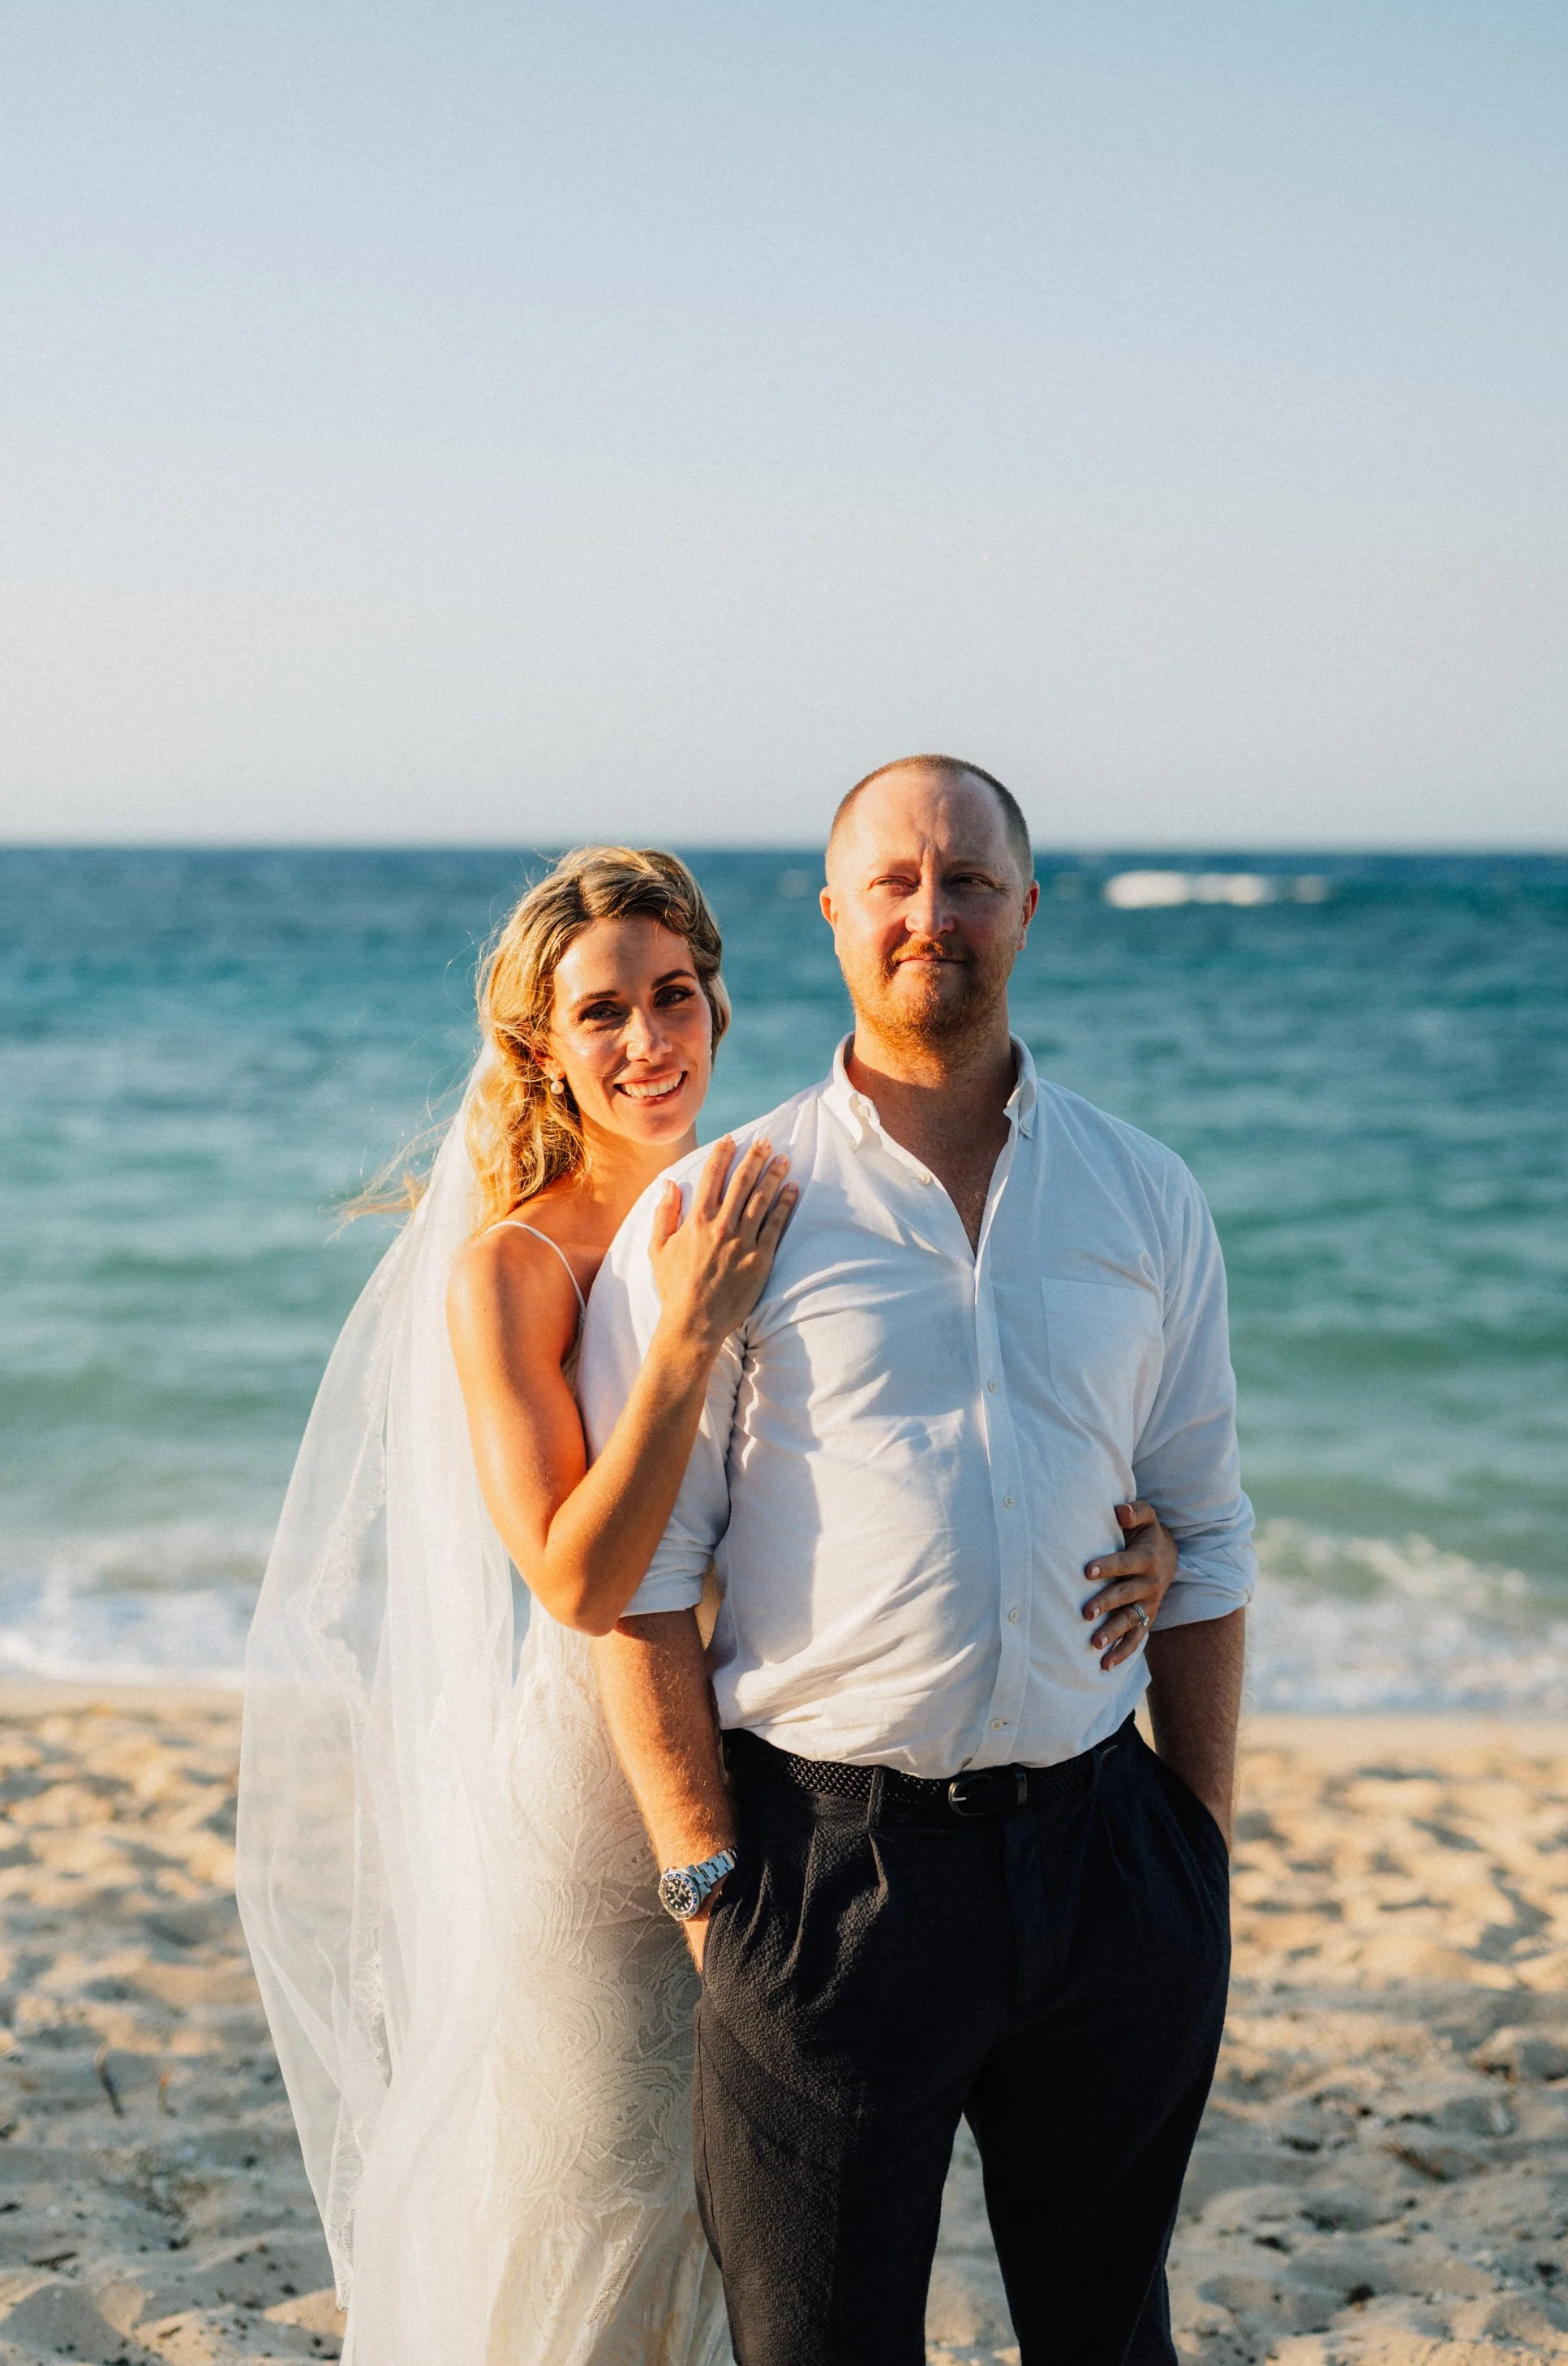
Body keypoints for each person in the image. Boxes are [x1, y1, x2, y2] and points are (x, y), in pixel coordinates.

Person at [240, 839, 1179, 2365]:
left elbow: (928, 1442)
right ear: (542, 1046)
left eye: (674, 995)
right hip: (606, 1808)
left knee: (751, 2232)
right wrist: (682, 1342)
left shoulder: (773, 1186)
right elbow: (578, 1577)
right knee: (603, 2204)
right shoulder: (516, 1266)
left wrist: (1146, 1545)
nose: (646, 1039)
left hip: (785, 1782)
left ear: (723, 1007)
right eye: (601, 1013)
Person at [578, 759, 1254, 2366]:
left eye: (966, 881)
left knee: (1109, 2335)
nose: (928, 914)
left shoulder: (1141, 1195)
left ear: (1026, 907)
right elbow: (641, 1581)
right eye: (892, 882)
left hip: (1105, 1862)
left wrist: (1198, 1845)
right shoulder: (719, 1208)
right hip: (830, 1877)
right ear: (830, 918)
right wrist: (702, 1884)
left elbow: (1207, 1531)